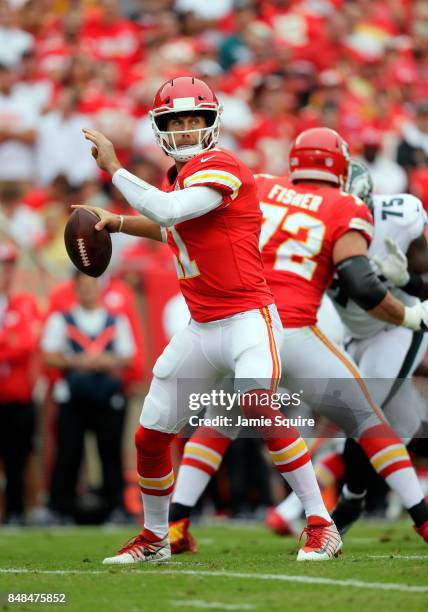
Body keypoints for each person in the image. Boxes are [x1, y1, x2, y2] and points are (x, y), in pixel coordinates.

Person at [76, 76, 342, 564]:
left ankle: (321, 523)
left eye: (193, 120)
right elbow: (171, 228)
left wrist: (114, 169)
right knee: (150, 433)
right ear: (161, 128)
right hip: (202, 327)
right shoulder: (177, 179)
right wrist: (115, 222)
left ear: (212, 123)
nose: (184, 130)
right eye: (174, 122)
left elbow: (172, 210)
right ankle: (156, 538)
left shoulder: (221, 165)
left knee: (257, 405)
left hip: (247, 320)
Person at [165, 128, 428, 554]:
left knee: (219, 421)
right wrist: (410, 312)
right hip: (293, 330)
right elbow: (361, 284)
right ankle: (422, 521)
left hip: (243, 328)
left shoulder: (263, 186)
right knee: (369, 422)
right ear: (339, 165)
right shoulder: (345, 204)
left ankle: (175, 524)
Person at [269, 160, 428, 535]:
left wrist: (408, 280)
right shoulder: (309, 227)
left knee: (363, 413)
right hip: (354, 332)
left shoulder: (400, 216)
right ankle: (352, 497)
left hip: (398, 327)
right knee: (400, 426)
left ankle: (325, 505)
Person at [41, 271, 136, 523]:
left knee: (111, 452)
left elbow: (128, 356)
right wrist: (76, 361)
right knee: (68, 452)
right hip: (75, 395)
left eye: (92, 285)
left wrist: (106, 361)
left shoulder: (116, 320)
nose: (88, 291)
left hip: (106, 395)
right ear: (75, 289)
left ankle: (116, 505)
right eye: (82, 286)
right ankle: (60, 507)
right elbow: (48, 355)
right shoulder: (62, 319)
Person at [0, 243, 40, 524]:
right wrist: (8, 340)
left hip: (17, 393)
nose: (5, 272)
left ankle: (17, 511)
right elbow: (15, 343)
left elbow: (25, 344)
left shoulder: (23, 303)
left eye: (9, 266)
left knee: (18, 456)